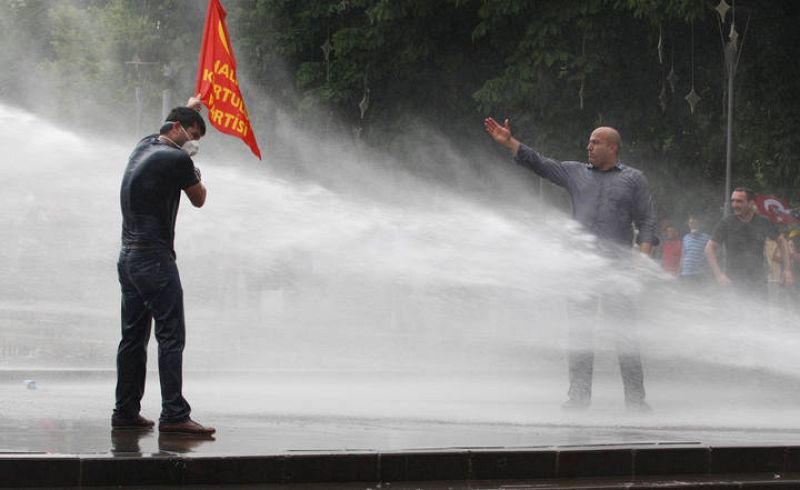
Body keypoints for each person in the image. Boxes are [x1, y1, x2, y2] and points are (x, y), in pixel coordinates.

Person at [484, 118, 656, 411]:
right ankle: (578, 397)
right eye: (589, 142)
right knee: (579, 333)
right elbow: (540, 164)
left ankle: (636, 400)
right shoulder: (575, 172)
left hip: (618, 268)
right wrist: (510, 143)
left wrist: (643, 256)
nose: (588, 146)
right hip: (582, 269)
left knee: (626, 336)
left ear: (612, 147)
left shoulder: (634, 179)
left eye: (595, 142)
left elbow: (647, 220)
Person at [112, 96, 215, 435]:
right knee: (171, 334)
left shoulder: (144, 144)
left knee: (133, 337)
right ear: (177, 129)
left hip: (128, 259)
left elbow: (175, 124)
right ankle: (174, 414)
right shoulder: (176, 159)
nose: (194, 142)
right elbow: (199, 199)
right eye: (193, 135)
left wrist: (191, 107)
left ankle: (126, 410)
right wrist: (192, 163)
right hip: (154, 258)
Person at [705, 188, 793, 299]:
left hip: (758, 281)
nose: (734, 205)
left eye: (739, 201)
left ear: (751, 203)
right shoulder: (727, 223)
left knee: (760, 314)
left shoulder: (763, 222)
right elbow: (709, 248)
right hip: (733, 281)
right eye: (733, 201)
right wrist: (719, 275)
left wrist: (787, 269)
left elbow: (782, 242)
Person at [678, 215, 711, 285]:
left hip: (699, 274)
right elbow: (683, 256)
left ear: (699, 224)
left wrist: (707, 270)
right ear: (688, 225)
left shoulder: (707, 238)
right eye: (691, 223)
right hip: (685, 274)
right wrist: (679, 273)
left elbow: (712, 255)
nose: (693, 225)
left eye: (695, 223)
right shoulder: (685, 238)